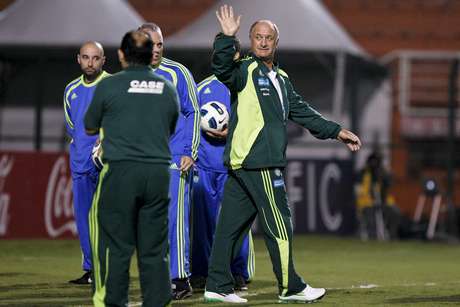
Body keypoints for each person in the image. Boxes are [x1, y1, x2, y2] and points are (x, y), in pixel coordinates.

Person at [204, 5, 362, 304]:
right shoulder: (244, 70)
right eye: (258, 37)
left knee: (229, 228)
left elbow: (302, 111)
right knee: (280, 223)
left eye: (268, 38)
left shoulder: (282, 78)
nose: (263, 42)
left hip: (243, 164)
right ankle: (290, 287)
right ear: (250, 41)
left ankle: (217, 285)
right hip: (259, 162)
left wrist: (336, 130)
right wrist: (226, 38)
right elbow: (221, 69)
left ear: (276, 42)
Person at [84, 30, 179, 307]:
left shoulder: (109, 86)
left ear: (121, 55)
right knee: (155, 250)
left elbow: (90, 126)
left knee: (116, 247)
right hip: (158, 174)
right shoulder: (167, 87)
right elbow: (169, 126)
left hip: (121, 173)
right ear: (152, 55)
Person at [139, 22, 200, 300]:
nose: (156, 50)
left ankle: (180, 278)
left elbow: (194, 112)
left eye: (160, 44)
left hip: (175, 159)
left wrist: (190, 150)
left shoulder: (178, 73)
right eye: (150, 44)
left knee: (175, 220)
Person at [191, 39, 255, 291]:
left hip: (235, 164)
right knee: (203, 223)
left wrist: (232, 133)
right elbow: (190, 120)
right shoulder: (201, 88)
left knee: (236, 222)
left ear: (237, 55)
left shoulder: (245, 86)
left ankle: (238, 271)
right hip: (205, 165)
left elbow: (256, 124)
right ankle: (200, 272)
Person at [63, 41, 110, 284]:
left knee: (108, 219)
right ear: (78, 59)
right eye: (85, 57)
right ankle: (91, 270)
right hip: (80, 163)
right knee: (83, 219)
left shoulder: (113, 85)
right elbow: (73, 127)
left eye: (95, 58)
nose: (90, 62)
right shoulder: (71, 90)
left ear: (104, 60)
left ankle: (109, 269)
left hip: (108, 166)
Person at [356, 151, 401, 240]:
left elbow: (388, 185)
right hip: (367, 203)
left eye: (376, 162)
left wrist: (384, 175)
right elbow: (362, 191)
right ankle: (373, 238)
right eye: (372, 162)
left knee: (395, 212)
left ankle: (392, 235)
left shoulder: (383, 173)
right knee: (371, 219)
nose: (374, 164)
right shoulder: (364, 173)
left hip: (383, 202)